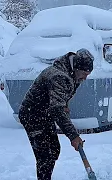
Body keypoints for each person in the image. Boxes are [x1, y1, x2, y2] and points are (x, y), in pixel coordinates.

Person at [18, 48, 94, 180]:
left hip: (45, 112)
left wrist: (63, 104)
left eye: (88, 74)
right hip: (32, 115)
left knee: (53, 149)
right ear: (76, 68)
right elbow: (56, 110)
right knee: (45, 155)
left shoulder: (72, 73)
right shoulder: (59, 76)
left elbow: (59, 98)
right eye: (84, 73)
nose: (85, 78)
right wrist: (74, 136)